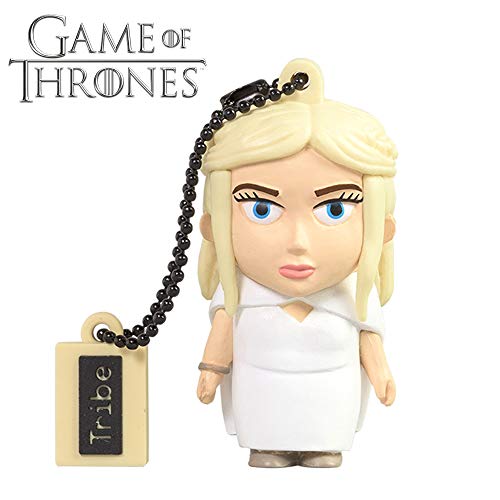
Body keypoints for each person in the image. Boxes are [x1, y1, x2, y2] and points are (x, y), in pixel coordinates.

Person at [196, 58, 397, 468]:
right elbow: (223, 335)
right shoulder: (239, 295)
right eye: (262, 209)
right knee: (266, 437)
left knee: (326, 439)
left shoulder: (354, 299)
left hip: (331, 406)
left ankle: (323, 446)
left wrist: (381, 377)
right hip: (261, 403)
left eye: (335, 209)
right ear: (213, 225)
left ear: (383, 228)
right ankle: (268, 446)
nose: (298, 242)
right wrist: (210, 372)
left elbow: (369, 342)